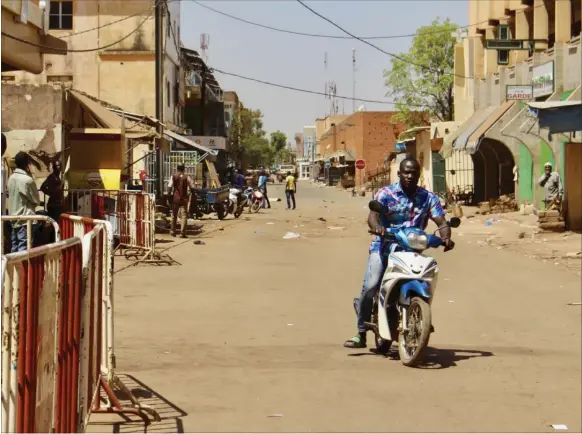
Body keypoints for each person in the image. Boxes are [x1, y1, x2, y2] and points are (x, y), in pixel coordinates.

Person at [344, 157, 455, 349]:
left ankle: (417, 312)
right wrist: (378, 227)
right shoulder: (386, 193)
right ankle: (361, 332)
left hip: (413, 249)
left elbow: (441, 221)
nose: (410, 176)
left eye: (413, 172)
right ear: (399, 173)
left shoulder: (428, 198)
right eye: (406, 172)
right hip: (384, 245)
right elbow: (373, 216)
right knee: (371, 286)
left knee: (426, 278)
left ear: (419, 175)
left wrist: (445, 236)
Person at [7, 152, 41, 252]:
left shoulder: (11, 178)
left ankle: (13, 268)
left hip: (13, 218)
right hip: (25, 219)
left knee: (15, 247)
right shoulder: (27, 180)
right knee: (24, 250)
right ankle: (23, 268)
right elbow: (36, 200)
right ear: (27, 163)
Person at [167, 164, 194, 238]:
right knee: (184, 216)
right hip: (184, 199)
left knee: (174, 215)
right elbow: (192, 187)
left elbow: (169, 187)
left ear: (177, 168)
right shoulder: (187, 177)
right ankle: (182, 233)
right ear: (184, 169)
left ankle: (173, 231)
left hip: (175, 198)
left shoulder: (173, 176)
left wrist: (168, 196)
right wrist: (192, 193)